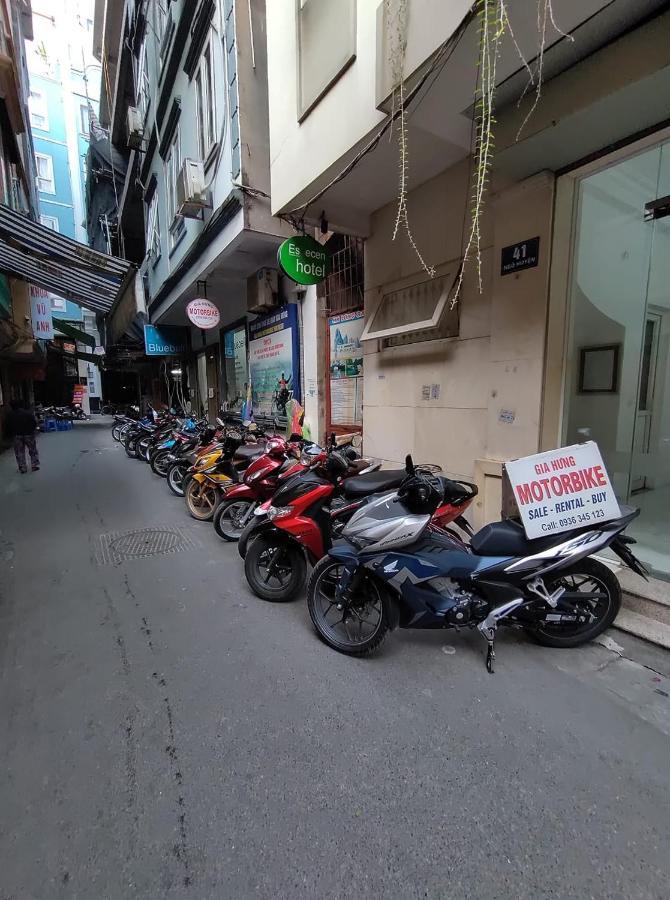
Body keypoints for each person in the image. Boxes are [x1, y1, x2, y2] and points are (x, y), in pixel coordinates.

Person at [5, 400, 40, 473]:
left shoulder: (9, 415)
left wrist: (10, 434)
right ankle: (34, 465)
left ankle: (23, 467)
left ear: (11, 406)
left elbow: (7, 426)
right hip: (28, 434)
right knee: (33, 450)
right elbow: (34, 422)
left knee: (19, 452)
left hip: (17, 435)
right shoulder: (27, 413)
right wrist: (32, 430)